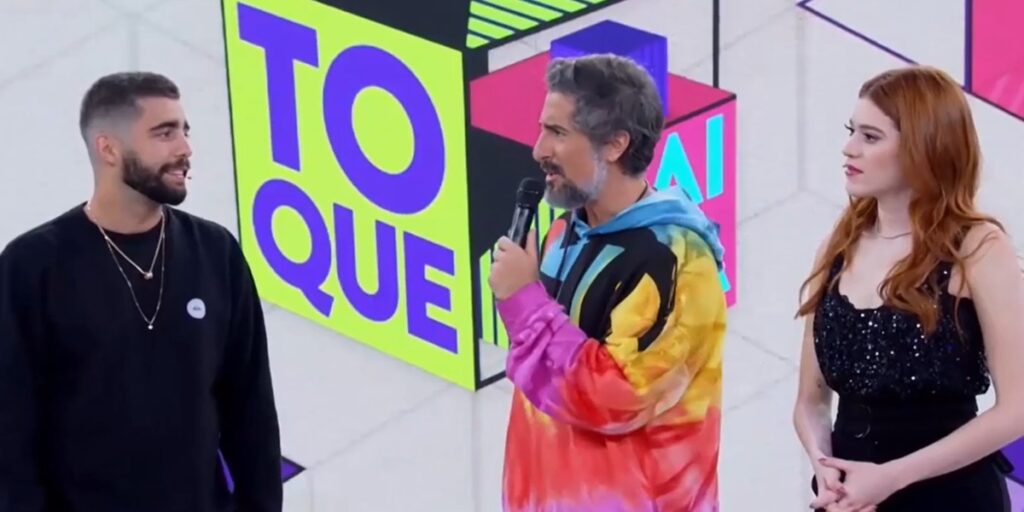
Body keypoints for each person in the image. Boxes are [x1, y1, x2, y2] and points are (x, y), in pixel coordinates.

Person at [0, 72, 282, 511]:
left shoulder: (216, 252)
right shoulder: (33, 265)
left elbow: (251, 410)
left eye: (185, 130)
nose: (185, 148)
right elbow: (11, 431)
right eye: (164, 133)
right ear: (109, 149)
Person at [488, 54, 728, 512]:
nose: (538, 149)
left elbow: (617, 399)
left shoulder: (678, 261)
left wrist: (526, 302)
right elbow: (545, 375)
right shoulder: (564, 231)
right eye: (542, 130)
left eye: (558, 133)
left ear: (615, 144)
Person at [792, 65, 1024, 512]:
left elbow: (1017, 408)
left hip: (950, 498)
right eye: (851, 131)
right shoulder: (838, 245)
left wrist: (891, 478)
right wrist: (825, 468)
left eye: (871, 137)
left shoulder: (978, 248)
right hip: (849, 500)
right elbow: (810, 401)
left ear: (924, 147)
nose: (849, 148)